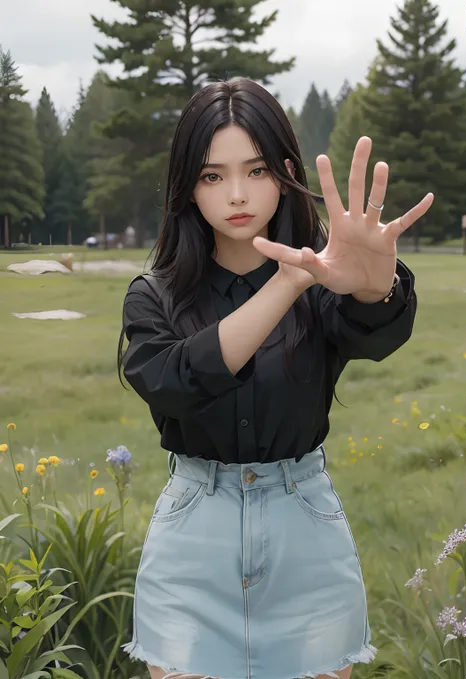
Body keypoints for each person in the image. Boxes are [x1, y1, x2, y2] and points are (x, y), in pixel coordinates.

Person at [117, 77, 434, 679]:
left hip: (305, 530)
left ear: (286, 172)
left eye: (256, 170)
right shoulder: (154, 297)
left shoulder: (326, 279)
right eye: (212, 176)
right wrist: (288, 280)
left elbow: (379, 333)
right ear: (187, 185)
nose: (236, 193)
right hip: (193, 537)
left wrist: (374, 284)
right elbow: (176, 381)